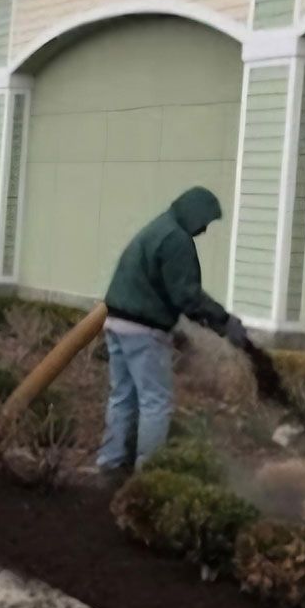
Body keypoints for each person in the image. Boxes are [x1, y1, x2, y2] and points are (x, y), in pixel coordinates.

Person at [97, 186, 248, 474]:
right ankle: (150, 470)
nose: (204, 230)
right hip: (144, 328)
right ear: (195, 214)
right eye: (205, 222)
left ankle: (110, 462)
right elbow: (187, 296)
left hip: (116, 322)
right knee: (156, 401)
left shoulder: (158, 228)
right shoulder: (176, 239)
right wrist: (224, 321)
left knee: (123, 396)